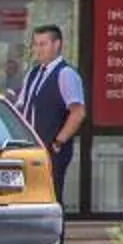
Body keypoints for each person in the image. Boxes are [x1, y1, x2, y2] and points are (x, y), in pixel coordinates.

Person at [16, 24, 88, 201]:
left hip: (52, 149)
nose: (38, 49)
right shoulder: (33, 73)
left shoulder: (65, 74)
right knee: (30, 198)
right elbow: (21, 106)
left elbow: (77, 112)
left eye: (43, 44)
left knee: (51, 197)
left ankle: (56, 229)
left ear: (56, 45)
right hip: (30, 148)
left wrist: (57, 142)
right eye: (35, 44)